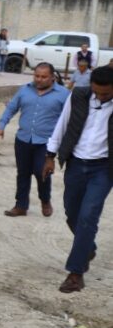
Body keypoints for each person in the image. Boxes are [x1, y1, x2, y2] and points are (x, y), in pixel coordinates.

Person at [42, 66, 113, 293]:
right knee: (72, 214)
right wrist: (50, 156)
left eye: (106, 94)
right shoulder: (79, 95)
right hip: (75, 163)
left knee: (87, 217)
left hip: (103, 169)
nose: (101, 97)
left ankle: (75, 273)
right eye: (97, 92)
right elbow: (62, 124)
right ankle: (87, 247)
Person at [0, 63, 69, 218]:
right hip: (23, 139)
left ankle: (45, 200)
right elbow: (11, 108)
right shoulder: (24, 90)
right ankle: (20, 206)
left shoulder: (64, 94)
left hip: (46, 143)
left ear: (52, 77)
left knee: (41, 172)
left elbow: (69, 119)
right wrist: (1, 125)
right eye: (37, 76)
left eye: (43, 77)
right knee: (22, 173)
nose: (39, 79)